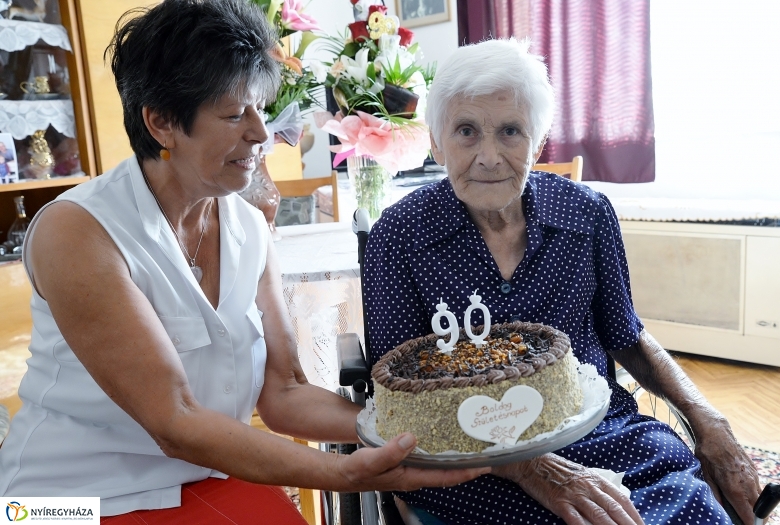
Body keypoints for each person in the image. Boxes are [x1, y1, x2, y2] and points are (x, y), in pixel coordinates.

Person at [0, 0, 488, 521]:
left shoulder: (247, 225)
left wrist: (409, 423)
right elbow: (175, 421)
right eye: (235, 115)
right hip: (66, 497)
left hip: (196, 475)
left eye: (260, 108)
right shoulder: (77, 230)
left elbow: (284, 393)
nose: (260, 133)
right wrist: (344, 472)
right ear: (162, 122)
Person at [363, 38, 761, 525]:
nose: (488, 156)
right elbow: (401, 395)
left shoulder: (586, 215)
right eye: (466, 131)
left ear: (539, 138)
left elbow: (626, 336)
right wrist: (533, 469)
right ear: (436, 143)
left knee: (689, 505)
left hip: (595, 430)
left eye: (510, 131)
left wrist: (707, 418)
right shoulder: (399, 238)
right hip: (465, 462)